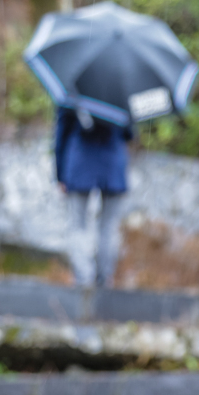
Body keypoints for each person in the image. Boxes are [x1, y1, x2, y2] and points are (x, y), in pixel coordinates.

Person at [54, 106, 135, 287]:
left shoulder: (72, 89)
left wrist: (60, 174)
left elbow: (61, 132)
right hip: (113, 165)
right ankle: (104, 280)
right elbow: (129, 133)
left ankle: (84, 281)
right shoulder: (122, 90)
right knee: (109, 227)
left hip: (79, 163)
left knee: (78, 226)